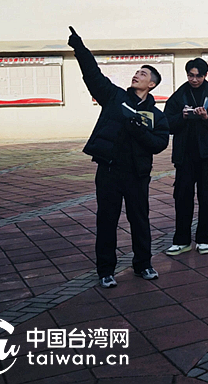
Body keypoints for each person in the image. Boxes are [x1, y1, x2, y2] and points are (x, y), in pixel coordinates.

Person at [67, 27, 169, 288]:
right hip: (109, 171)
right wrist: (80, 49)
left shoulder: (157, 115)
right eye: (136, 72)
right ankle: (106, 270)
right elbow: (93, 76)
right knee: (107, 221)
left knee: (140, 221)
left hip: (137, 174)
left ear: (152, 84)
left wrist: (139, 131)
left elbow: (160, 143)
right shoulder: (114, 97)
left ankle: (143, 265)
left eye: (143, 74)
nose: (137, 75)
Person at [164, 58, 208, 256]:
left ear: (205, 75)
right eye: (190, 75)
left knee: (207, 196)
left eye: (198, 76)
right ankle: (181, 240)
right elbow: (166, 122)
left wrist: (207, 117)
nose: (194, 80)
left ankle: (203, 239)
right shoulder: (179, 95)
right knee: (182, 197)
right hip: (184, 155)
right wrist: (183, 116)